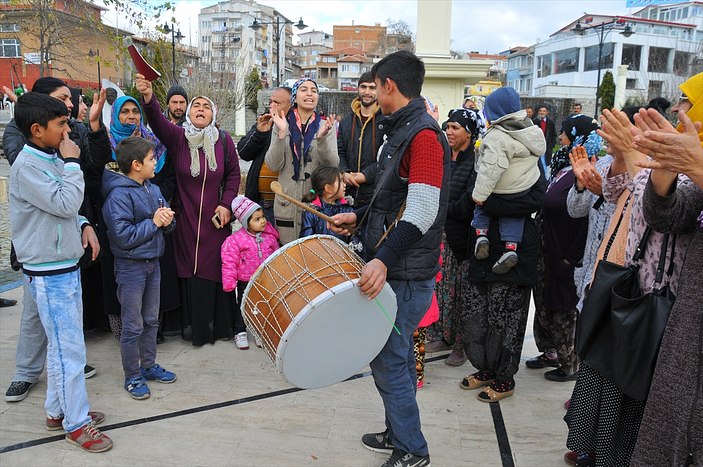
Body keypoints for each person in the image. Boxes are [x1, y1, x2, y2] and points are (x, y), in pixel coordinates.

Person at [329, 50, 449, 467]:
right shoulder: (400, 132)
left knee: (392, 360)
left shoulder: (425, 137)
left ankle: (413, 449)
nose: (373, 94)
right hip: (394, 265)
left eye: (376, 86)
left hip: (405, 273)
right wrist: (358, 218)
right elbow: (389, 198)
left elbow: (420, 211)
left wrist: (381, 259)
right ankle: (396, 431)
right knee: (384, 358)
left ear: (389, 86)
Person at [564, 107, 694, 466]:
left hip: (648, 296)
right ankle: (593, 450)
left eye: (690, 104)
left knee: (626, 395)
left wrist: (635, 156)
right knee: (603, 377)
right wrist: (623, 155)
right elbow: (613, 190)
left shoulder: (688, 175)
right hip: (618, 283)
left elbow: (654, 210)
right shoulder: (662, 161)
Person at [9, 92, 112, 452]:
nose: (68, 131)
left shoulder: (46, 157)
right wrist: (73, 163)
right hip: (49, 272)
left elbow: (64, 208)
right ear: (37, 130)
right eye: (61, 125)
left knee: (62, 346)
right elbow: (64, 198)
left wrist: (83, 222)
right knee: (70, 350)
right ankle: (76, 423)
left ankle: (58, 409)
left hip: (61, 265)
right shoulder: (28, 165)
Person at [629, 74, 703, 466]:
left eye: (687, 101)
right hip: (690, 328)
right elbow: (667, 215)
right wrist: (665, 169)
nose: (678, 110)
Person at [136, 73, 241, 347]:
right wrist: (148, 97)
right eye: (196, 106)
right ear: (188, 113)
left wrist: (226, 204)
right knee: (188, 271)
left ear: (213, 113)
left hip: (215, 219)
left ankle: (214, 328)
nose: (200, 110)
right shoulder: (179, 137)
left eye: (206, 107)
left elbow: (232, 175)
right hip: (185, 218)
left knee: (212, 269)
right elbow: (157, 121)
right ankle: (190, 327)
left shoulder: (224, 141)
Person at [94, 95, 176, 342]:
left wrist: (161, 210)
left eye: (135, 111)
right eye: (125, 112)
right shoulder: (107, 145)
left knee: (151, 301)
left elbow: (165, 179)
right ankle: (127, 343)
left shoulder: (153, 143)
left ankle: (151, 344)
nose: (131, 116)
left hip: (153, 232)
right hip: (125, 237)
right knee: (125, 298)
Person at [102, 136, 177, 400]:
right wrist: (155, 223)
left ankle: (149, 365)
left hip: (153, 264)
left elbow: (164, 221)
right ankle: (132, 376)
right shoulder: (118, 195)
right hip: (130, 269)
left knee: (151, 320)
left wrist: (167, 221)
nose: (155, 162)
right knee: (132, 325)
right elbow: (123, 237)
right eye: (151, 159)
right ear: (136, 165)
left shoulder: (152, 188)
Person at [529, 115, 596, 382]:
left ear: (578, 137)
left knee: (564, 306)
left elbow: (586, 218)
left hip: (566, 252)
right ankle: (551, 352)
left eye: (566, 134)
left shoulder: (588, 172)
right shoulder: (562, 167)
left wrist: (573, 256)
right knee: (546, 301)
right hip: (548, 248)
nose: (559, 138)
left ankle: (570, 364)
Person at [425, 108, 484, 367]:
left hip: (461, 239)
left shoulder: (476, 161)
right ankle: (441, 334)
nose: (449, 131)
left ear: (469, 133)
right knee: (440, 288)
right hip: (439, 234)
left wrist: (441, 206)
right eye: (447, 127)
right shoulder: (442, 156)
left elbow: (468, 204)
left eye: (455, 128)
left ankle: (460, 345)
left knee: (461, 292)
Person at [471, 87, 545, 275]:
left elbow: (491, 167)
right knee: (514, 215)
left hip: (501, 188)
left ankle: (481, 236)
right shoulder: (531, 131)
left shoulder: (497, 135)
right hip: (524, 187)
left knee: (480, 204)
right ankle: (511, 248)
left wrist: (479, 195)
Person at [265, 78, 338, 245]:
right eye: (304, 89)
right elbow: (273, 164)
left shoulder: (326, 125)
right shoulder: (282, 123)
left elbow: (333, 164)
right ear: (294, 97)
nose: (310, 93)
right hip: (286, 205)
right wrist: (282, 133)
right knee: (287, 257)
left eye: (314, 90)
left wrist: (321, 139)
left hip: (315, 205)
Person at [221, 196, 279, 350]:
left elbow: (276, 257)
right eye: (257, 219)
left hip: (264, 280)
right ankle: (240, 331)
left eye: (263, 217)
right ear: (246, 222)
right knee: (243, 306)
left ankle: (258, 331)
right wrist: (229, 281)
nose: (263, 221)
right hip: (246, 280)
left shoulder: (270, 238)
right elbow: (229, 261)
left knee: (262, 307)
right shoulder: (236, 240)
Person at [237, 86, 292, 224]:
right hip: (261, 204)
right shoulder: (265, 122)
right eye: (270, 102)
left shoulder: (297, 128)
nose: (272, 106)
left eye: (277, 103)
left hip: (287, 204)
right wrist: (259, 133)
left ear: (291, 105)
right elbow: (243, 152)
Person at [337, 72, 383, 208]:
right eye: (363, 87)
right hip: (347, 193)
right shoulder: (346, 122)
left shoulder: (386, 121)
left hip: (374, 195)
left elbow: (388, 157)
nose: (367, 92)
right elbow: (339, 152)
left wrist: (366, 175)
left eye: (372, 88)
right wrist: (343, 173)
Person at [300, 166, 354, 241]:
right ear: (328, 188)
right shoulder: (312, 212)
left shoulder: (347, 210)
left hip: (341, 252)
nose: (345, 185)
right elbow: (306, 241)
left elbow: (353, 236)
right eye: (341, 181)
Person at [535, 104, 557, 173]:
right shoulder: (535, 122)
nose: (542, 112)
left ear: (547, 112)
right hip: (537, 146)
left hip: (547, 146)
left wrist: (552, 145)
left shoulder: (551, 123)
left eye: (544, 111)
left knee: (546, 164)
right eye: (540, 111)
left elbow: (554, 134)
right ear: (538, 112)